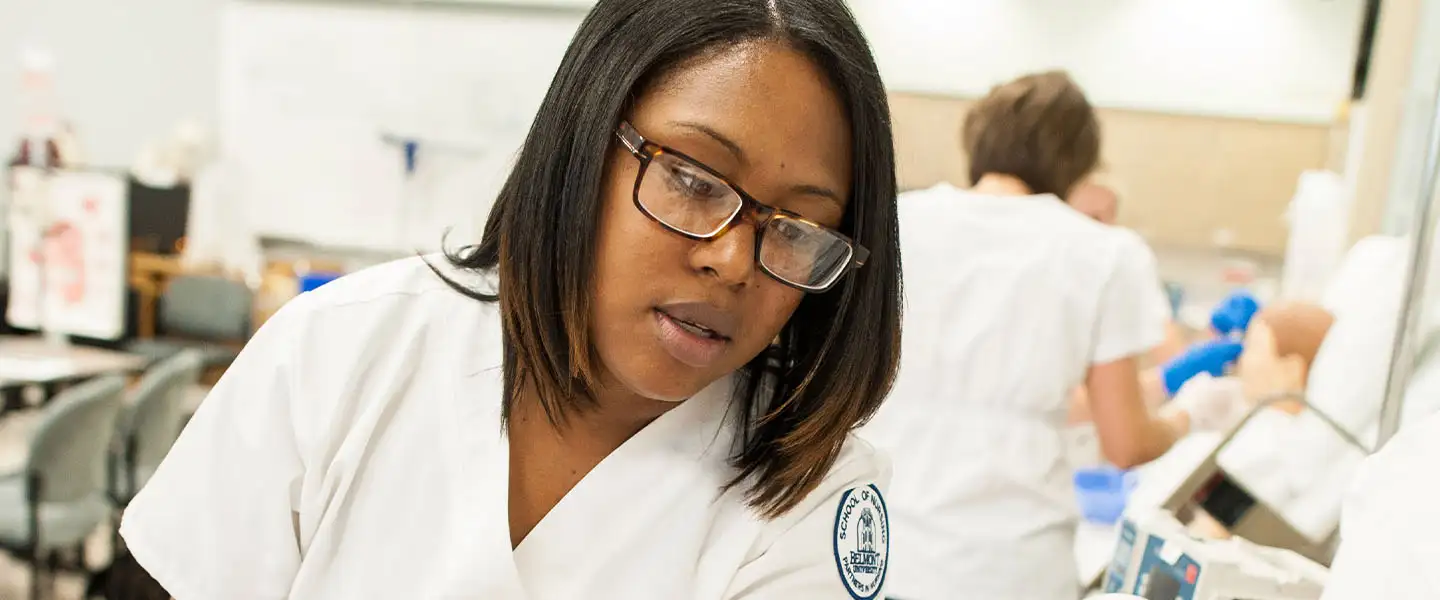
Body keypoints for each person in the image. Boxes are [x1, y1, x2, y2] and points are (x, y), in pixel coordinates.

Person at [117, 1, 904, 598]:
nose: (735, 263)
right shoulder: (339, 351)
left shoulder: (815, 492)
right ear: (582, 138)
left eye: (799, 228)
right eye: (693, 180)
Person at [862, 71, 1249, 600]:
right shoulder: (1104, 253)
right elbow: (1127, 443)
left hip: (880, 553)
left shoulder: (896, 220)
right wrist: (1194, 413)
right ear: (1076, 162)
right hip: (1013, 567)